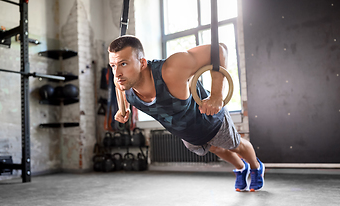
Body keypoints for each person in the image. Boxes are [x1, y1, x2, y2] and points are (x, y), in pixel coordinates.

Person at [108, 35, 265, 192]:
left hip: (209, 119)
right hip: (188, 134)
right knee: (216, 149)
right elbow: (118, 86)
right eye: (113, 66)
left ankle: (256, 167)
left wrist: (217, 95)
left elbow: (219, 50)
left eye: (123, 64)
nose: (117, 73)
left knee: (235, 145)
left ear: (142, 63)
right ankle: (240, 168)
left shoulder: (171, 70)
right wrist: (123, 109)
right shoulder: (123, 82)